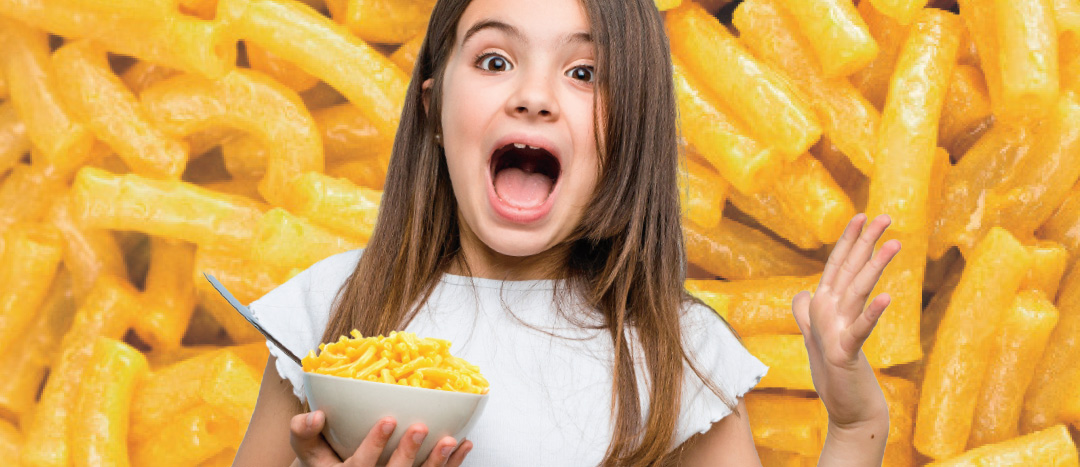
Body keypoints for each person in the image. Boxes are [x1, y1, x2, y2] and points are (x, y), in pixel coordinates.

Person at [233, 0, 901, 465]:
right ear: (433, 109)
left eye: (584, 73)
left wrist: (854, 423)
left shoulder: (675, 350)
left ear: (632, 128)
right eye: (495, 61)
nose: (534, 95)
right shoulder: (332, 312)